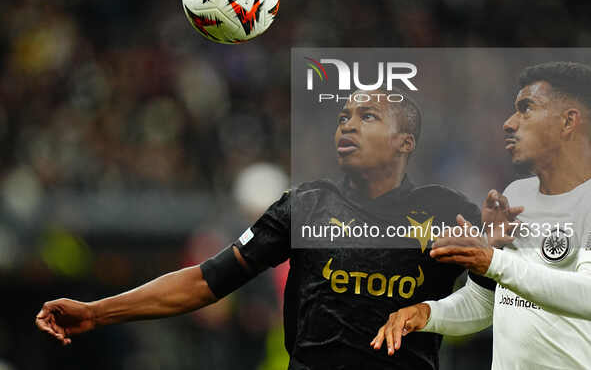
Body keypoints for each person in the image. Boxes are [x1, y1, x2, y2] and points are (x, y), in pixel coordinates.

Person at [36, 88, 486, 370]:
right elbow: (205, 281)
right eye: (344, 115)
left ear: (404, 142)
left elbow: (500, 299)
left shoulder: (448, 212)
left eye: (367, 117)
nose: (347, 123)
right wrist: (97, 312)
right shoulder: (306, 205)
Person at [372, 62, 591, 369]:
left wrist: (492, 260)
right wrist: (428, 313)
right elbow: (487, 303)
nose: (509, 123)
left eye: (526, 109)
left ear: (568, 121)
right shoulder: (517, 196)